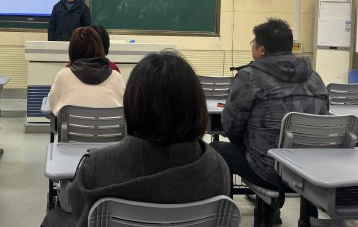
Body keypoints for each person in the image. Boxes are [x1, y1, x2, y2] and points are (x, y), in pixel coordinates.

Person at [42, 50, 231, 227]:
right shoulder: (217, 168)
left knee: (54, 218)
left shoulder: (97, 168)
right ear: (196, 105)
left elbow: (78, 211)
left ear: (133, 104)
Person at [211, 18, 328, 222]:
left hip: (269, 172)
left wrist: (247, 141)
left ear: (261, 50)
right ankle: (299, 218)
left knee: (216, 150)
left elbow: (231, 127)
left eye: (253, 43)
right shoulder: (315, 77)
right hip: (310, 173)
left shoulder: (249, 77)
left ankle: (226, 219)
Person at [48, 26, 125, 116]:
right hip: (110, 125)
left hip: (74, 125)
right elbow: (124, 106)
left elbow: (53, 104)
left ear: (72, 50)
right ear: (100, 47)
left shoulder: (63, 75)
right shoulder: (116, 77)